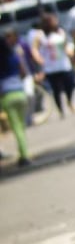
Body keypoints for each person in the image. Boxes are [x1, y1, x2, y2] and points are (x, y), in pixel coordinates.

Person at [30, 11, 75, 119]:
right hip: (50, 67)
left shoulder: (60, 32)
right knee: (56, 89)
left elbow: (65, 45)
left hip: (64, 64)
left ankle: (69, 101)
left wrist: (71, 53)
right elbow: (34, 49)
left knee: (70, 83)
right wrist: (39, 59)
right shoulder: (40, 35)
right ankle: (60, 110)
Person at [1, 29, 32, 166]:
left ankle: (24, 156)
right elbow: (24, 72)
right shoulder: (14, 56)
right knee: (21, 126)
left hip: (6, 95)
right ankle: (24, 152)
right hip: (20, 92)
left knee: (16, 127)